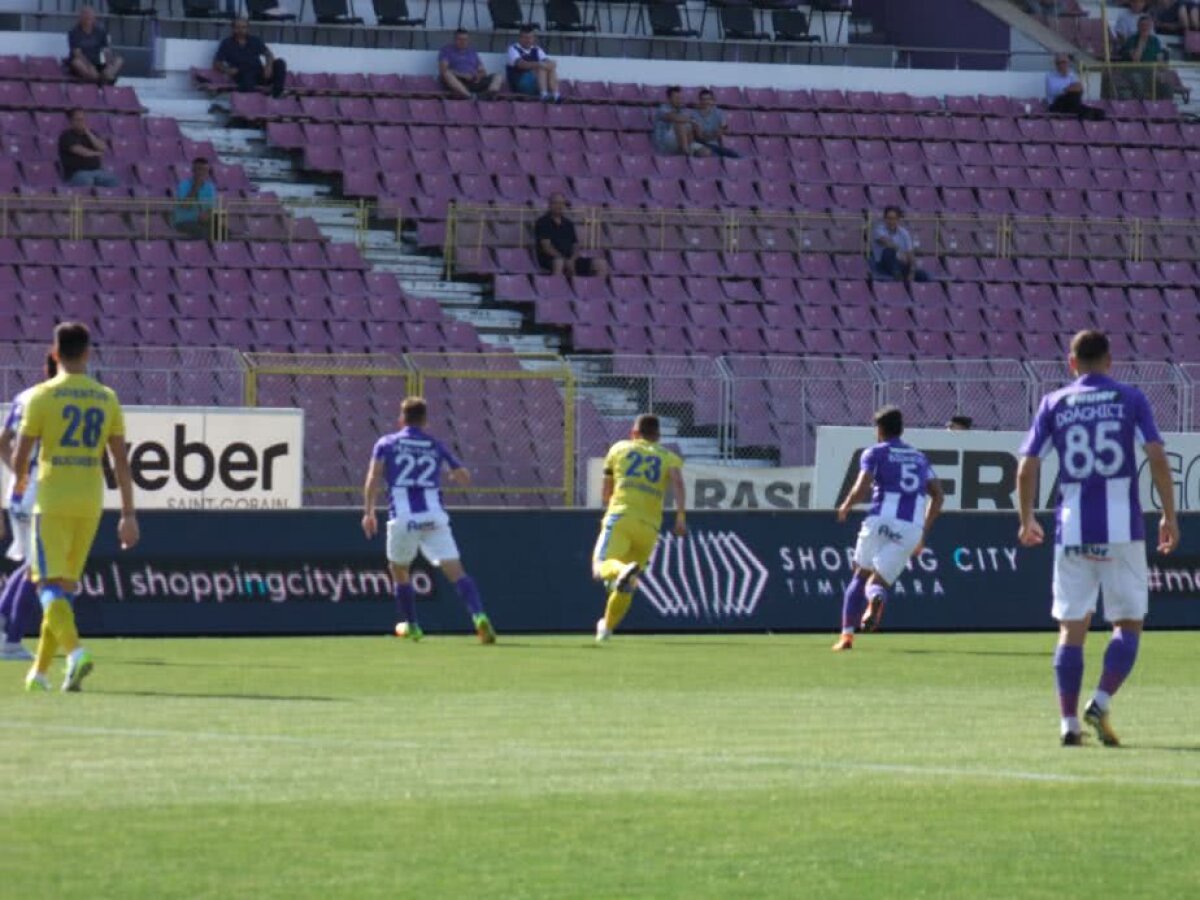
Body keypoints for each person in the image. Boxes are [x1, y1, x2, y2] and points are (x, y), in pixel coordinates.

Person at [1018, 331, 1179, 747]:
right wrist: (1168, 514)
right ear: (1109, 361)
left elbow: (1027, 465)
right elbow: (1156, 456)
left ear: (1071, 363)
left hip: (1071, 530)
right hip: (1122, 530)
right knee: (1128, 623)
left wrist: (1027, 518)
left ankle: (1068, 724)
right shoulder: (1130, 398)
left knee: (1071, 629)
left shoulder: (1054, 402)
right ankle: (1102, 699)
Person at [12, 322, 139, 692]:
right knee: (63, 590)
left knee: (45, 584)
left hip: (51, 500)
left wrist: (20, 491)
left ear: (55, 354)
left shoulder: (42, 396)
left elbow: (20, 458)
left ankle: (75, 652)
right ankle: (40, 674)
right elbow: (120, 461)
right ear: (88, 353)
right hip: (89, 502)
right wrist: (128, 514)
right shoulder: (106, 398)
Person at [361, 397, 496, 644]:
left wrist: (369, 512)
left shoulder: (386, 443)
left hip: (403, 517)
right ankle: (479, 616)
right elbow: (464, 477)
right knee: (456, 570)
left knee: (399, 569)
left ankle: (412, 625)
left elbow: (373, 477)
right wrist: (455, 476)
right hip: (434, 516)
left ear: (401, 419)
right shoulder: (435, 444)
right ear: (425, 421)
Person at [833, 406, 944, 651]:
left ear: (879, 430)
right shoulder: (919, 458)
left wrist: (846, 505)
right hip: (910, 527)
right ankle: (875, 598)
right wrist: (923, 533)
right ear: (901, 429)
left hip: (880, 519)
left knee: (860, 575)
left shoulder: (874, 453)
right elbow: (938, 496)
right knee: (877, 582)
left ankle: (846, 637)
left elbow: (861, 487)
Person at [593, 414, 686, 642]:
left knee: (600, 567)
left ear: (634, 433)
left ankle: (621, 571)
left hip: (622, 517)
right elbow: (677, 482)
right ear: (658, 437)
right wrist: (680, 517)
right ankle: (606, 628)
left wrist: (613, 499)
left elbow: (606, 493)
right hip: (650, 528)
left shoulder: (619, 448)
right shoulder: (668, 457)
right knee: (628, 585)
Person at [0, 354, 56, 662]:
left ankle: (2, 624)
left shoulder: (24, 396)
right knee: (38, 570)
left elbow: (2, 441)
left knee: (29, 565)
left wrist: (18, 473)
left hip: (19, 488)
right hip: (39, 489)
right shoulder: (54, 400)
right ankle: (11, 641)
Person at [534, 193, 608, 278]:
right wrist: (564, 259)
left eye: (562, 203)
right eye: (556, 203)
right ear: (550, 205)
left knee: (601, 263)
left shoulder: (568, 223)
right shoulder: (542, 222)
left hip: (570, 259)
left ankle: (597, 286)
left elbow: (575, 246)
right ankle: (557, 285)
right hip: (550, 259)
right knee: (559, 262)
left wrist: (572, 260)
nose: (559, 206)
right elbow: (547, 247)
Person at [213, 18, 288, 99]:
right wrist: (227, 70)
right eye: (237, 27)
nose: (240, 30)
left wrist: (268, 66)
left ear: (248, 28)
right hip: (242, 74)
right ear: (233, 28)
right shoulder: (226, 43)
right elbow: (217, 62)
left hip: (259, 73)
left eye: (243, 27)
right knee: (247, 76)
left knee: (280, 63)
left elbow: (268, 54)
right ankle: (256, 100)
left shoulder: (255, 40)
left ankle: (277, 94)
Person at [58, 108, 119, 188]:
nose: (81, 122)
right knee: (87, 180)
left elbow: (102, 147)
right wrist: (97, 153)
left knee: (113, 180)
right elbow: (82, 152)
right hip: (76, 173)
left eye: (83, 119)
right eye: (78, 120)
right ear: (71, 121)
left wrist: (88, 133)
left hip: (97, 171)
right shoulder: (66, 136)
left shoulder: (92, 133)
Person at [871, 206, 929, 283]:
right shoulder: (878, 229)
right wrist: (899, 252)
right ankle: (898, 276)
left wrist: (912, 272)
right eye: (889, 218)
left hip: (900, 264)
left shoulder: (904, 233)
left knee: (923, 276)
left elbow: (910, 254)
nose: (891, 221)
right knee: (889, 251)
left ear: (898, 220)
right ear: (884, 219)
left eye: (894, 219)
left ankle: (905, 281)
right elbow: (887, 243)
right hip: (882, 264)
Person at [438, 29, 502, 100]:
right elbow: (443, 70)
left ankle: (488, 95)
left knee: (498, 76)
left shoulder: (472, 51)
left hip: (473, 81)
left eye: (465, 39)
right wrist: (463, 75)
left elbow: (483, 71)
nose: (463, 42)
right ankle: (470, 96)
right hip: (458, 80)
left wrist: (478, 76)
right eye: (460, 39)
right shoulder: (446, 50)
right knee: (446, 74)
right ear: (455, 39)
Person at [66, 6, 123, 86]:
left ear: (94, 18)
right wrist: (89, 66)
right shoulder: (74, 33)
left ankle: (105, 75)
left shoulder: (101, 31)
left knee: (119, 60)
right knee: (77, 63)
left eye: (90, 17)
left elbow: (106, 50)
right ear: (80, 18)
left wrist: (108, 64)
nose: (88, 19)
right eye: (86, 17)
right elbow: (77, 54)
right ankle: (102, 80)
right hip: (84, 63)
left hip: (98, 61)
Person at [506, 26, 559, 102]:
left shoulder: (536, 49)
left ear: (534, 38)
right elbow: (521, 64)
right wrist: (539, 64)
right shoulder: (513, 49)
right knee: (541, 67)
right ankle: (544, 95)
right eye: (525, 38)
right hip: (520, 83)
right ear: (520, 38)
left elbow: (547, 62)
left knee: (550, 67)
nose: (528, 40)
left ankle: (556, 95)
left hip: (536, 83)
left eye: (530, 38)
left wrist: (551, 64)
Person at [1119, 15, 1167, 99]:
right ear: (1138, 26)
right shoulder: (1132, 40)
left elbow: (1160, 60)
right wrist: (1141, 40)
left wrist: (1161, 72)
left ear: (1151, 27)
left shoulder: (1155, 41)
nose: (1145, 27)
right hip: (1134, 71)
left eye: (1147, 25)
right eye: (1142, 25)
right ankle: (1140, 103)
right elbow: (1135, 59)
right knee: (1137, 80)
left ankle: (1165, 104)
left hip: (1151, 71)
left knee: (1166, 81)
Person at [653, 86, 708, 158]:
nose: (679, 100)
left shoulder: (683, 110)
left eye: (680, 98)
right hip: (664, 143)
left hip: (682, 141)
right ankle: (686, 154)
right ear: (669, 99)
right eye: (676, 98)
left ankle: (689, 150)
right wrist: (691, 120)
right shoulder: (663, 109)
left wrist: (696, 125)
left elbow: (694, 124)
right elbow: (675, 118)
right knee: (680, 124)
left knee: (705, 152)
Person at [1045, 54, 1105, 120]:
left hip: (1071, 103)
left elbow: (1079, 87)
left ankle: (1089, 115)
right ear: (1056, 64)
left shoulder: (1071, 75)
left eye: (1065, 62)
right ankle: (1085, 115)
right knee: (1072, 96)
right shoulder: (1050, 76)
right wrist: (1068, 89)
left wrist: (1072, 88)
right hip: (1056, 104)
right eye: (1061, 62)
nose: (1064, 65)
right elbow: (1053, 92)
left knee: (1100, 112)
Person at [173, 157, 218, 240]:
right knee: (202, 233)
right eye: (200, 169)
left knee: (224, 232)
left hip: (203, 222)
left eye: (205, 170)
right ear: (193, 170)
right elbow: (185, 206)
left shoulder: (210, 187)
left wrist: (208, 214)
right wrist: (195, 187)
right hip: (184, 221)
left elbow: (212, 207)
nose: (202, 173)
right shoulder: (183, 185)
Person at [690, 89, 740, 159]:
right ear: (699, 100)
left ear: (712, 100)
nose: (706, 102)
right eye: (703, 99)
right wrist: (714, 134)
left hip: (714, 145)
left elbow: (724, 128)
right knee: (715, 157)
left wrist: (719, 132)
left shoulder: (718, 112)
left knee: (735, 155)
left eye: (708, 99)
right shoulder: (694, 114)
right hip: (701, 144)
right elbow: (700, 137)